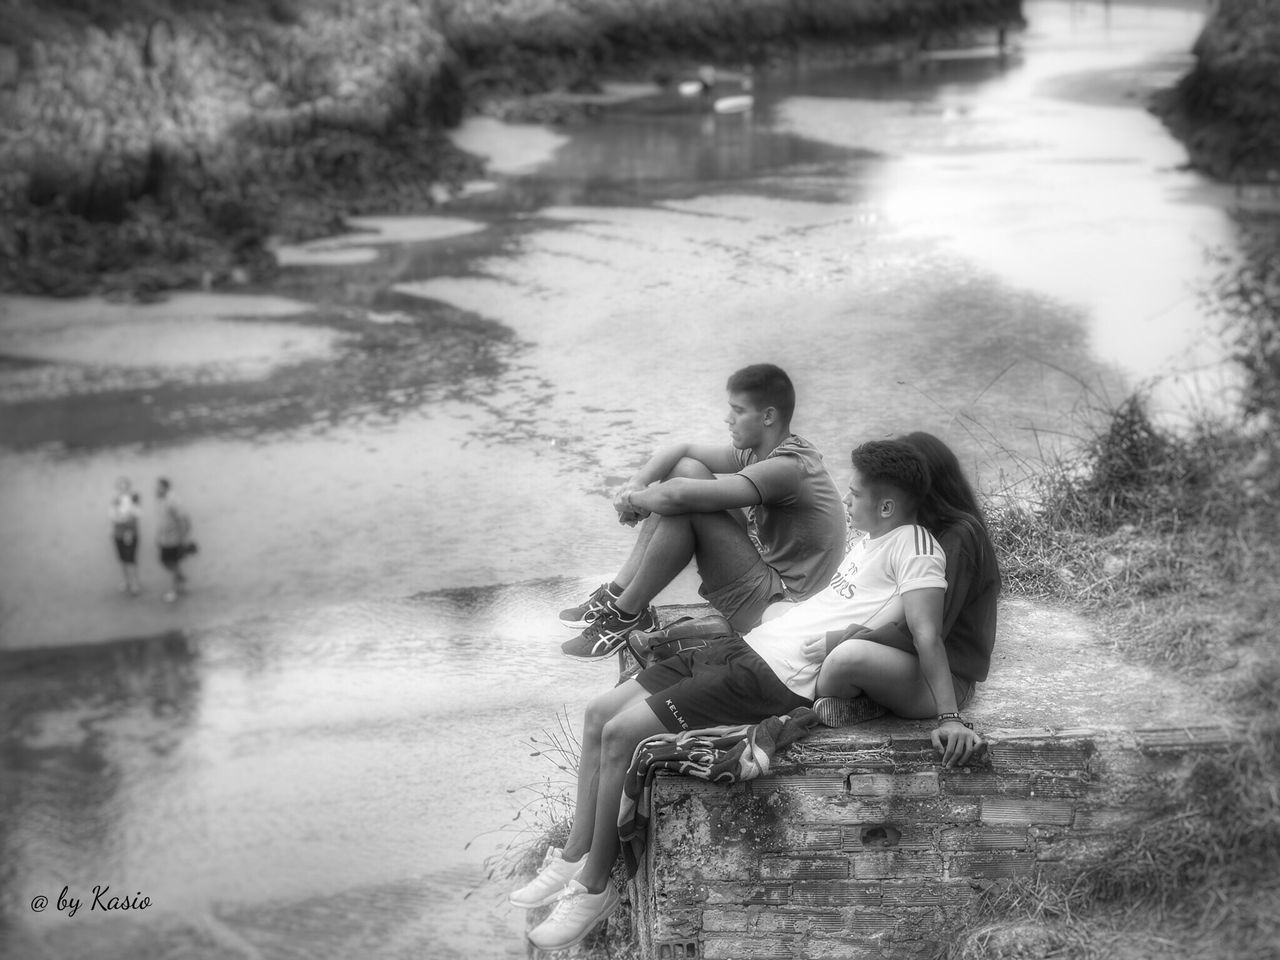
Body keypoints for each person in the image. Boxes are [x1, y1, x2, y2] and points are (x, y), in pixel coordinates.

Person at [516, 440, 980, 952]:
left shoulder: (915, 547)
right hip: (746, 648)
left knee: (622, 734)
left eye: (855, 495)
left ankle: (595, 885)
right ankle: (576, 850)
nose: (847, 503)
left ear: (888, 505)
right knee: (599, 712)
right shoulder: (873, 541)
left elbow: (927, 634)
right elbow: (875, 613)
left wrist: (950, 715)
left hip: (772, 679)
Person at [559, 363, 846, 660]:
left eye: (738, 410)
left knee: (687, 507)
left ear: (768, 416)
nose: (727, 419)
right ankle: (620, 592)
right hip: (771, 577)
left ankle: (625, 614)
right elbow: (683, 451)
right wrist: (638, 483)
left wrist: (636, 500)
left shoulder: (787, 468)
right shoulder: (761, 450)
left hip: (785, 605)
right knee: (686, 470)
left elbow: (680, 496)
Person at [814, 431, 1001, 726]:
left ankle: (873, 702)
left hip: (943, 680)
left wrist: (840, 638)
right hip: (902, 659)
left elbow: (926, 633)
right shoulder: (912, 532)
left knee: (842, 659)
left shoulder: (958, 537)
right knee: (782, 618)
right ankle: (871, 700)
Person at [155, 477, 194, 603]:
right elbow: (163, 520)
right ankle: (182, 579)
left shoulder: (172, 500)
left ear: (165, 487)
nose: (156, 489)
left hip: (173, 539)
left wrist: (183, 537)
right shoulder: (162, 500)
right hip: (165, 539)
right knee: (166, 562)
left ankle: (174, 591)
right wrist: (158, 537)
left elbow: (183, 518)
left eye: (159, 487)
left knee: (172, 563)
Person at [110, 477, 142, 596]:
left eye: (125, 486)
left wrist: (123, 519)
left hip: (130, 534)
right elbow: (112, 516)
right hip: (118, 534)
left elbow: (136, 515)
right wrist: (122, 518)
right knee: (122, 559)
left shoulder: (133, 500)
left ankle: (134, 582)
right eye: (120, 486)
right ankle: (126, 581)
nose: (122, 489)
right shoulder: (115, 501)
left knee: (131, 559)